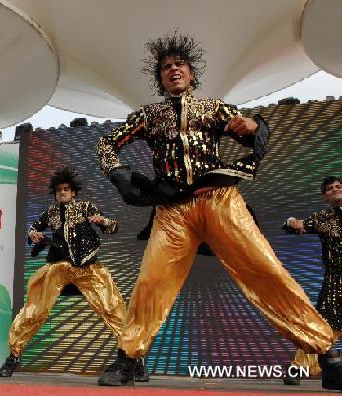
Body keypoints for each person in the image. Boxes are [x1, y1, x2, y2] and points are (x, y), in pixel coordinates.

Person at [95, 32, 341, 389]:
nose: (173, 69)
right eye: (166, 67)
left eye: (179, 64)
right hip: (173, 211)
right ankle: (129, 357)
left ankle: (327, 353)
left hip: (220, 200)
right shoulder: (148, 116)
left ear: (191, 73)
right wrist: (118, 172)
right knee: (151, 282)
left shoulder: (213, 108)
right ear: (161, 78)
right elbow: (107, 143)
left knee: (266, 271)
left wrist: (254, 126)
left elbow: (248, 132)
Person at [0, 167, 147, 381]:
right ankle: (13, 356)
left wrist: (103, 221)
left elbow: (112, 227)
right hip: (58, 268)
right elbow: (33, 229)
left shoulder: (86, 207)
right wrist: (34, 234)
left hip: (87, 268)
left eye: (66, 189)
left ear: (73, 192)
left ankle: (135, 358)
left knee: (113, 308)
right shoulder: (50, 212)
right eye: (59, 190)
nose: (62, 193)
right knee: (35, 310)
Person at [282, 176, 342, 385]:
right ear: (325, 196)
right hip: (337, 283)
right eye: (329, 189)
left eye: (338, 186)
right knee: (326, 329)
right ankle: (296, 369)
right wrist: (291, 222)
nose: (335, 190)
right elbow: (296, 225)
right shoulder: (323, 217)